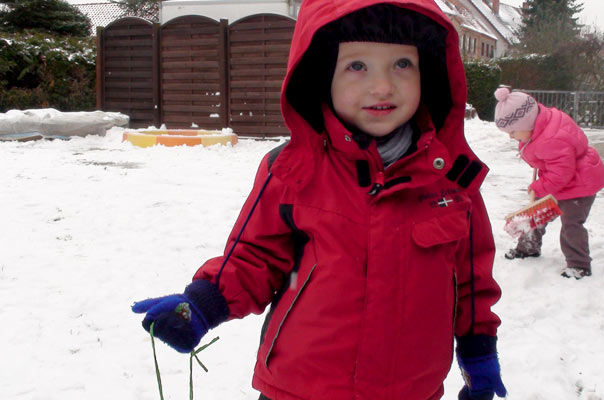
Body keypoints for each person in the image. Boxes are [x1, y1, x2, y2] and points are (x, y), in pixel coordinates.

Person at [132, 1, 507, 399]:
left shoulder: (451, 179)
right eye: (357, 66)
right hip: (302, 386)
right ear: (322, 74)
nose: (383, 86)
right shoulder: (293, 170)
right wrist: (204, 305)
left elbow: (470, 279)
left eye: (402, 64)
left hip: (411, 388)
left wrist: (479, 355)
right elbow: (254, 257)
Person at [494, 87, 604, 279]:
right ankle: (528, 248)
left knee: (571, 224)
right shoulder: (539, 128)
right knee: (536, 213)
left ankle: (579, 264)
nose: (511, 137)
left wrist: (539, 186)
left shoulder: (551, 138)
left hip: (580, 185)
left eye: (513, 132)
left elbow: (562, 173)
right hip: (559, 180)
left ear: (527, 122)